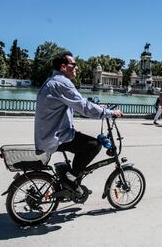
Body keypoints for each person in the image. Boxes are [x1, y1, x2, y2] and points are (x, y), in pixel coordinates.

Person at [34, 51, 123, 195]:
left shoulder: (52, 80)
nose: (77, 68)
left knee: (81, 142)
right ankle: (70, 179)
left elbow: (78, 103)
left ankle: (70, 177)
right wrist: (110, 112)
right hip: (56, 136)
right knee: (93, 145)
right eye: (74, 64)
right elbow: (85, 108)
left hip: (47, 134)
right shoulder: (63, 83)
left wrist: (100, 108)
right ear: (63, 67)